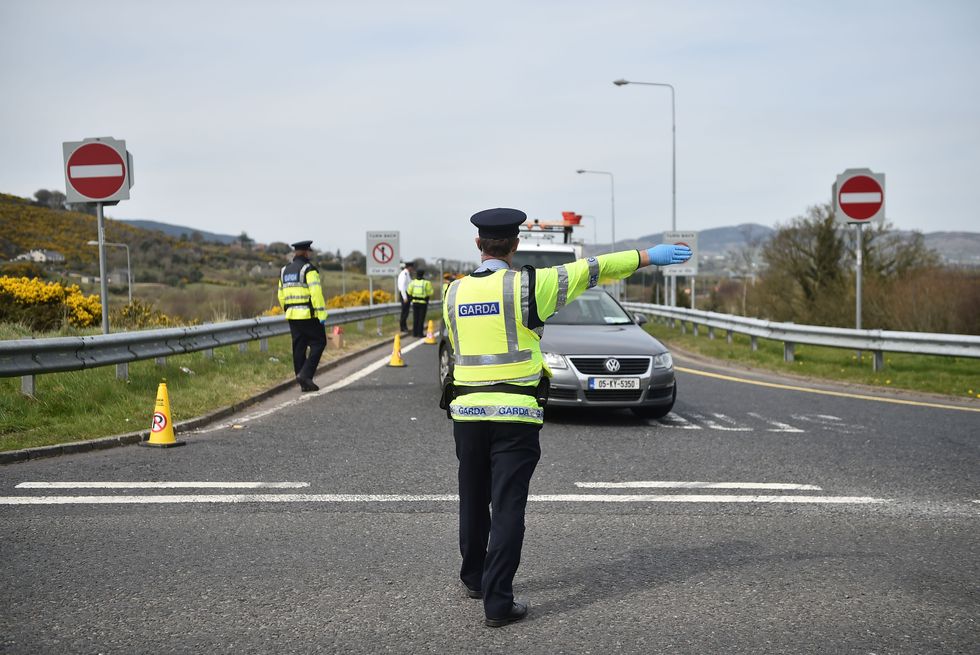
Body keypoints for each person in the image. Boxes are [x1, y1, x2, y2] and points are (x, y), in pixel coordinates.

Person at [441, 208, 691, 628]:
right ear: (515, 245)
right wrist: (649, 256)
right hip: (516, 415)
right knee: (506, 505)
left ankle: (474, 579)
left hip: (465, 413)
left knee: (472, 494)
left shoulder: (452, 293)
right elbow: (595, 268)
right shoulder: (530, 286)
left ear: (478, 244)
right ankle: (498, 604)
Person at [277, 240, 328, 392]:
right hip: (308, 315)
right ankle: (305, 375)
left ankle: (302, 380)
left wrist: (287, 309)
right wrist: (321, 313)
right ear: (306, 252)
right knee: (319, 343)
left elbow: (280, 294)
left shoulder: (284, 270)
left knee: (298, 347)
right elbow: (316, 293)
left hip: (292, 315)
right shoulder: (309, 270)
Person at [407, 269, 434, 337]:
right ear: (423, 274)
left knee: (415, 318)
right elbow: (430, 292)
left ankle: (414, 333)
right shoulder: (426, 283)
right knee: (421, 318)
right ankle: (420, 333)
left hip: (415, 302)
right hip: (423, 303)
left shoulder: (413, 282)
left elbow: (409, 291)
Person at [397, 261, 415, 332]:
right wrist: (405, 297)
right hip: (404, 294)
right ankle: (403, 327)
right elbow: (402, 286)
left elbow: (410, 283)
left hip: (406, 294)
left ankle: (404, 326)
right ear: (409, 267)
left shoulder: (407, 274)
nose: (412, 269)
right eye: (412, 267)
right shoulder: (404, 274)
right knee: (404, 312)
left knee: (406, 312)